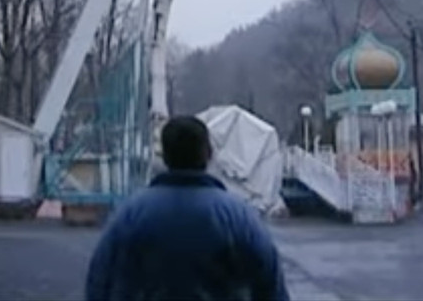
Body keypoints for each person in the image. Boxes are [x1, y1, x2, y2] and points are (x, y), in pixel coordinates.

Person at [85, 115, 290, 301]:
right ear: (208, 153)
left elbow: (99, 283)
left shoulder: (129, 216)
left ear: (164, 156)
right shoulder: (240, 218)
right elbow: (271, 286)